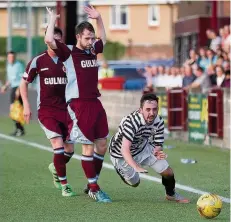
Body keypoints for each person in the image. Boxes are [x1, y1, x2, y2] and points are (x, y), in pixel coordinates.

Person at [45, 5, 111, 202]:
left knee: (102, 144)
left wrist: (99, 19)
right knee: (87, 147)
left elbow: (104, 39)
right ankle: (94, 187)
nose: (91, 42)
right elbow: (49, 40)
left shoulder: (93, 51)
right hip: (79, 105)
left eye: (92, 38)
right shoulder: (69, 52)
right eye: (87, 38)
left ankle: (92, 182)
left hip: (95, 103)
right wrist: (52, 20)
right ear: (78, 38)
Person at [19, 27, 76, 197]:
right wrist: (26, 105)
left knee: (70, 150)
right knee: (58, 145)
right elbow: (24, 83)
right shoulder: (37, 61)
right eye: (52, 39)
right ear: (46, 40)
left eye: (58, 40)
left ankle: (55, 167)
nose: (55, 43)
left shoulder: (68, 60)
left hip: (66, 110)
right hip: (46, 110)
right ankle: (64, 184)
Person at [109, 93, 189, 203]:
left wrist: (158, 152)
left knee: (168, 172)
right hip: (120, 154)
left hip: (143, 147)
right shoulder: (131, 122)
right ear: (141, 110)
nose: (152, 113)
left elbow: (158, 144)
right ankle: (121, 171)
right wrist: (136, 166)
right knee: (135, 183)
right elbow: (124, 149)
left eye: (155, 109)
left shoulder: (159, 121)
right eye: (148, 109)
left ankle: (171, 194)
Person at [1, 51, 25, 136]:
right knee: (13, 110)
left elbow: (23, 78)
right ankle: (19, 129)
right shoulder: (8, 66)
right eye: (10, 57)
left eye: (13, 57)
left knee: (16, 109)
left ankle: (20, 129)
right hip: (12, 88)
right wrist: (5, 86)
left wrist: (19, 90)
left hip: (18, 88)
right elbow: (10, 79)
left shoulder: (19, 65)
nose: (11, 58)